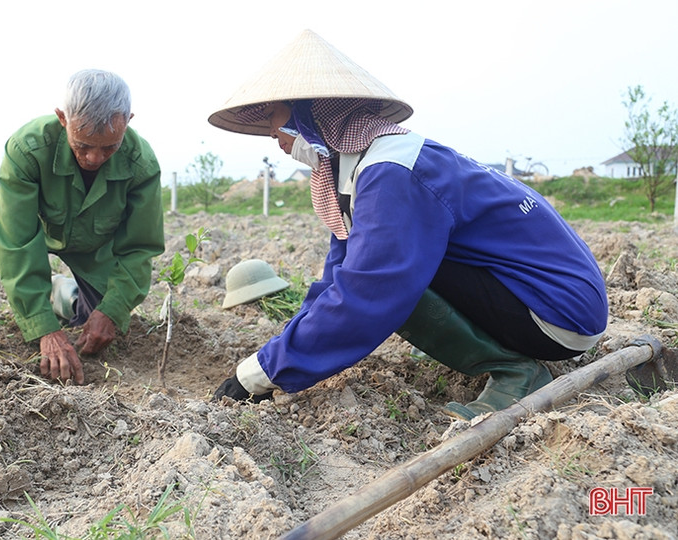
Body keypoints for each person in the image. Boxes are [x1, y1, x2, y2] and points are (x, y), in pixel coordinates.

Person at [208, 30, 608, 419]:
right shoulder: (362, 169)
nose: (272, 133)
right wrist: (269, 362)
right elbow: (336, 279)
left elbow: (367, 290)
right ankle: (473, 342)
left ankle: (515, 372)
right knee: (382, 267)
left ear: (309, 112)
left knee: (390, 280)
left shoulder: (391, 171)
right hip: (543, 297)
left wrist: (261, 373)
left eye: (275, 116)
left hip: (557, 315)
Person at [0, 69, 165, 385]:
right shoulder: (27, 148)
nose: (94, 157)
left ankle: (65, 295)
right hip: (36, 230)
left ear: (128, 121)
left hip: (96, 247)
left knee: (98, 325)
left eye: (109, 148)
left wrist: (112, 311)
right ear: (62, 118)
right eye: (83, 145)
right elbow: (17, 239)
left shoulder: (141, 163)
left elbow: (139, 247)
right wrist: (44, 329)